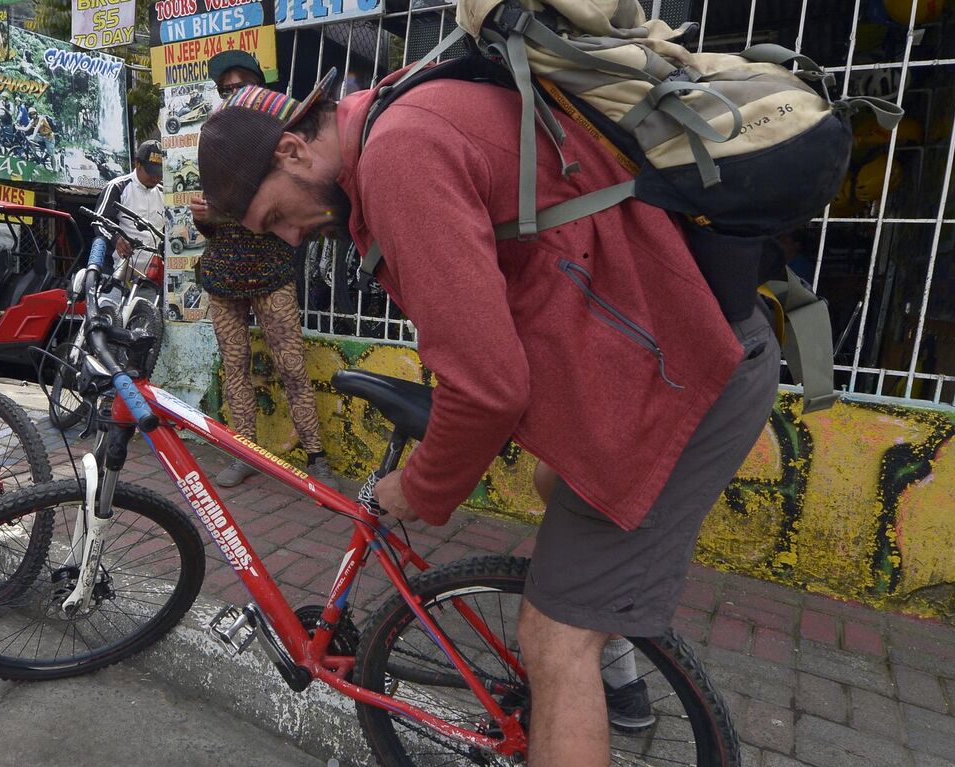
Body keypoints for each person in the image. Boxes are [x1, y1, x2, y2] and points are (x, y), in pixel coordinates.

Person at [197, 74, 780, 765]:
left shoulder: (397, 154)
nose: (293, 238)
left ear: (292, 151)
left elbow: (486, 388)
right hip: (667, 354)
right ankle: (616, 670)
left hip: (686, 373)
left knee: (554, 638)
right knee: (551, 486)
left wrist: (418, 488)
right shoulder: (401, 111)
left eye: (276, 218)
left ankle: (591, 653)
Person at [191, 50, 342, 490]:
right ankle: (245, 452)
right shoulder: (216, 143)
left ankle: (316, 455)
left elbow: (296, 216)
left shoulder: (282, 145)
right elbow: (210, 222)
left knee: (292, 366)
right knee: (235, 368)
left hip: (272, 273)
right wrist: (204, 216)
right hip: (222, 277)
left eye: (239, 85)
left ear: (259, 86)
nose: (232, 93)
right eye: (225, 89)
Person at [94, 139, 168, 262]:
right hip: (122, 266)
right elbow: (99, 221)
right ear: (137, 164)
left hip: (156, 270)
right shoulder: (118, 187)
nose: (156, 178)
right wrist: (116, 238)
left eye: (159, 173)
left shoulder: (164, 193)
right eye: (151, 173)